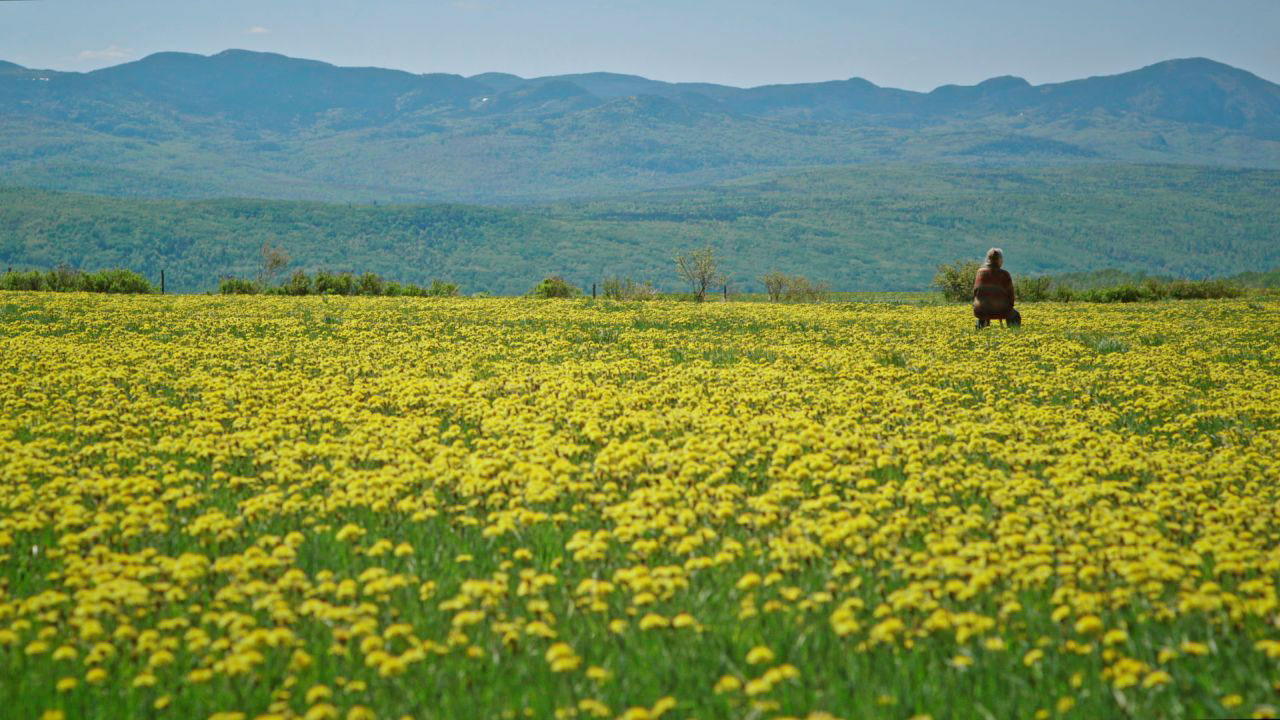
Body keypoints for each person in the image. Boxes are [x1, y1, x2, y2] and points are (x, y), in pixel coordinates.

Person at [973, 248, 1021, 329]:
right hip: (1001, 310)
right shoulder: (1004, 274)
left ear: (987, 260)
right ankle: (1014, 334)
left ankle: (981, 331)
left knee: (982, 313)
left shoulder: (980, 272)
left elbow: (975, 292)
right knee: (1015, 315)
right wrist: (1009, 306)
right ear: (999, 260)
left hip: (981, 310)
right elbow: (1011, 295)